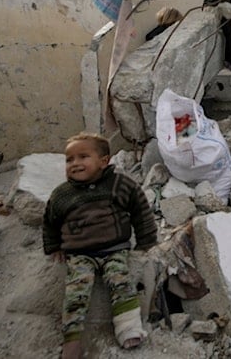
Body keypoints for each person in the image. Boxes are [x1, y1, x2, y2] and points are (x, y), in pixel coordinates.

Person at [43, 133, 158, 359]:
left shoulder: (119, 184)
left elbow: (140, 209)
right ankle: (72, 340)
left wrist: (146, 241)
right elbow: (50, 221)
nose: (75, 164)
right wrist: (53, 247)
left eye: (83, 157)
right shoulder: (62, 195)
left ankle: (129, 329)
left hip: (114, 250)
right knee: (76, 292)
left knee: (121, 283)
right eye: (69, 160)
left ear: (104, 161)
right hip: (79, 254)